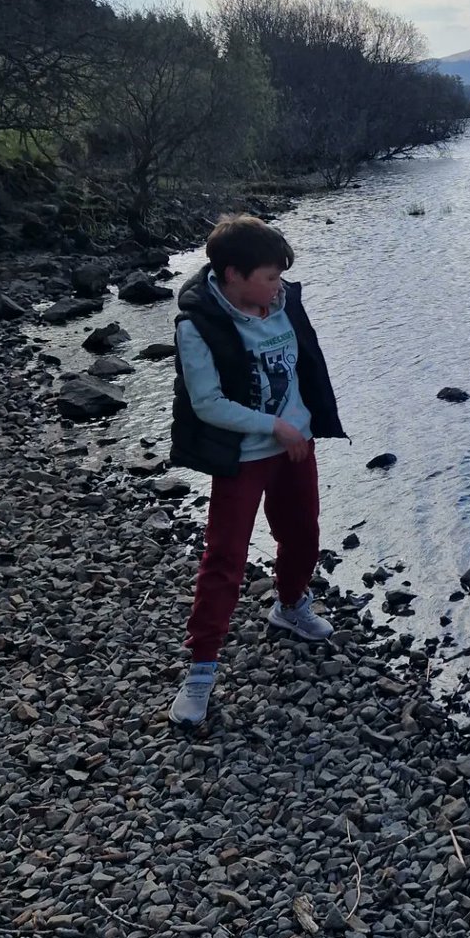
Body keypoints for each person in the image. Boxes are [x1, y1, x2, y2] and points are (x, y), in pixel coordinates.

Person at [167, 214, 345, 726]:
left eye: (279, 276)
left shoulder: (285, 302)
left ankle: (289, 607)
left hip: (296, 445)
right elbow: (206, 403)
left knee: (303, 535)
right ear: (232, 274)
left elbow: (305, 366)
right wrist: (275, 427)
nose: (277, 286)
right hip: (244, 456)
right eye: (268, 277)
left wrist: (303, 425)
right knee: (225, 557)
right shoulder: (198, 326)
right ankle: (201, 670)